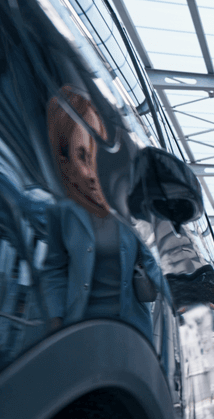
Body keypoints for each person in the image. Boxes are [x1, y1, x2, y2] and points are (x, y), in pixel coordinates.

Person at [41, 87, 164, 342]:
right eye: (81, 157)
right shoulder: (62, 213)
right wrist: (57, 320)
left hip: (131, 335)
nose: (92, 170)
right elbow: (54, 268)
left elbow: (157, 266)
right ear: (65, 164)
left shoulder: (131, 207)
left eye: (96, 152)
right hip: (80, 332)